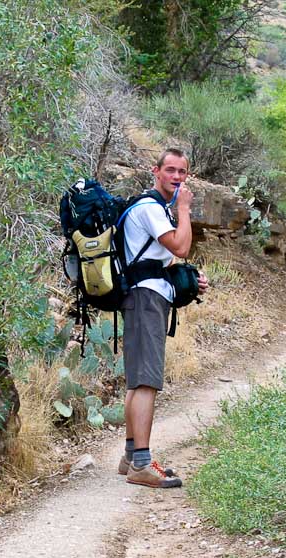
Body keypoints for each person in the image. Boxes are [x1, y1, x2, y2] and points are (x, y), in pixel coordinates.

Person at [116, 148, 209, 488]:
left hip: (145, 295)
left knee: (138, 379)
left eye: (182, 172)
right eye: (170, 170)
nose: (177, 177)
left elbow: (163, 260)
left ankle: (130, 456)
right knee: (146, 381)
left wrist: (188, 281)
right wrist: (184, 209)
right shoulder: (152, 208)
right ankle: (142, 463)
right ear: (155, 171)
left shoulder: (154, 209)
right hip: (146, 300)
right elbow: (181, 247)